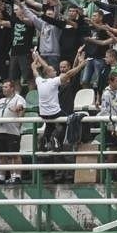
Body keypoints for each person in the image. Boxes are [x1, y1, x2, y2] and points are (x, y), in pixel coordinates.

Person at [32, 49, 87, 182]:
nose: (61, 70)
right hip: (55, 118)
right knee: (54, 146)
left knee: (65, 147)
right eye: (59, 67)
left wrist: (37, 58)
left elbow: (72, 72)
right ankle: (56, 174)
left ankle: (68, 175)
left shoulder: (69, 83)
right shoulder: (53, 83)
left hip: (64, 118)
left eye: (64, 67)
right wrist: (38, 57)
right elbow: (50, 69)